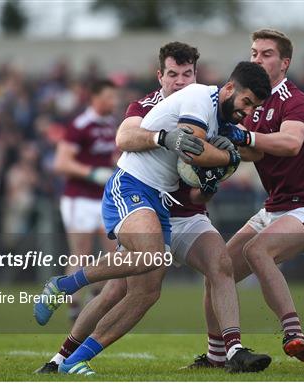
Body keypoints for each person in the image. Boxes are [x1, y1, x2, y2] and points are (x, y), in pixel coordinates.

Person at [35, 41, 270, 375]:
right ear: (160, 76)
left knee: (167, 284)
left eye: (186, 73)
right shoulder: (172, 102)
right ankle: (62, 325)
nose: (179, 80)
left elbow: (233, 159)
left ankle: (232, 351)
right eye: (172, 74)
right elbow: (129, 138)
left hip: (175, 207)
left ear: (195, 74)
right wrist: (183, 143)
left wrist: (218, 170)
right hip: (135, 189)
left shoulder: (214, 106)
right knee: (123, 282)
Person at [187, 28, 304, 367]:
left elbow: (289, 144)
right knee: (217, 268)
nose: (257, 59)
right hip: (275, 208)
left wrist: (244, 137)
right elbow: (250, 153)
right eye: (254, 53)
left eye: (266, 53)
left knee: (257, 250)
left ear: (284, 63)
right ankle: (215, 356)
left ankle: (293, 333)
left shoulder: (295, 101)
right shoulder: (252, 103)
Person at [52, 79, 119, 322]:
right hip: (78, 198)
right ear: (95, 98)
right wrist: (91, 173)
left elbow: (110, 155)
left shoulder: (111, 124)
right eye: (110, 97)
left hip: (103, 198)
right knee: (81, 252)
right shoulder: (80, 125)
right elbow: (61, 163)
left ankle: (95, 300)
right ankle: (73, 306)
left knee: (114, 252)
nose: (114, 101)